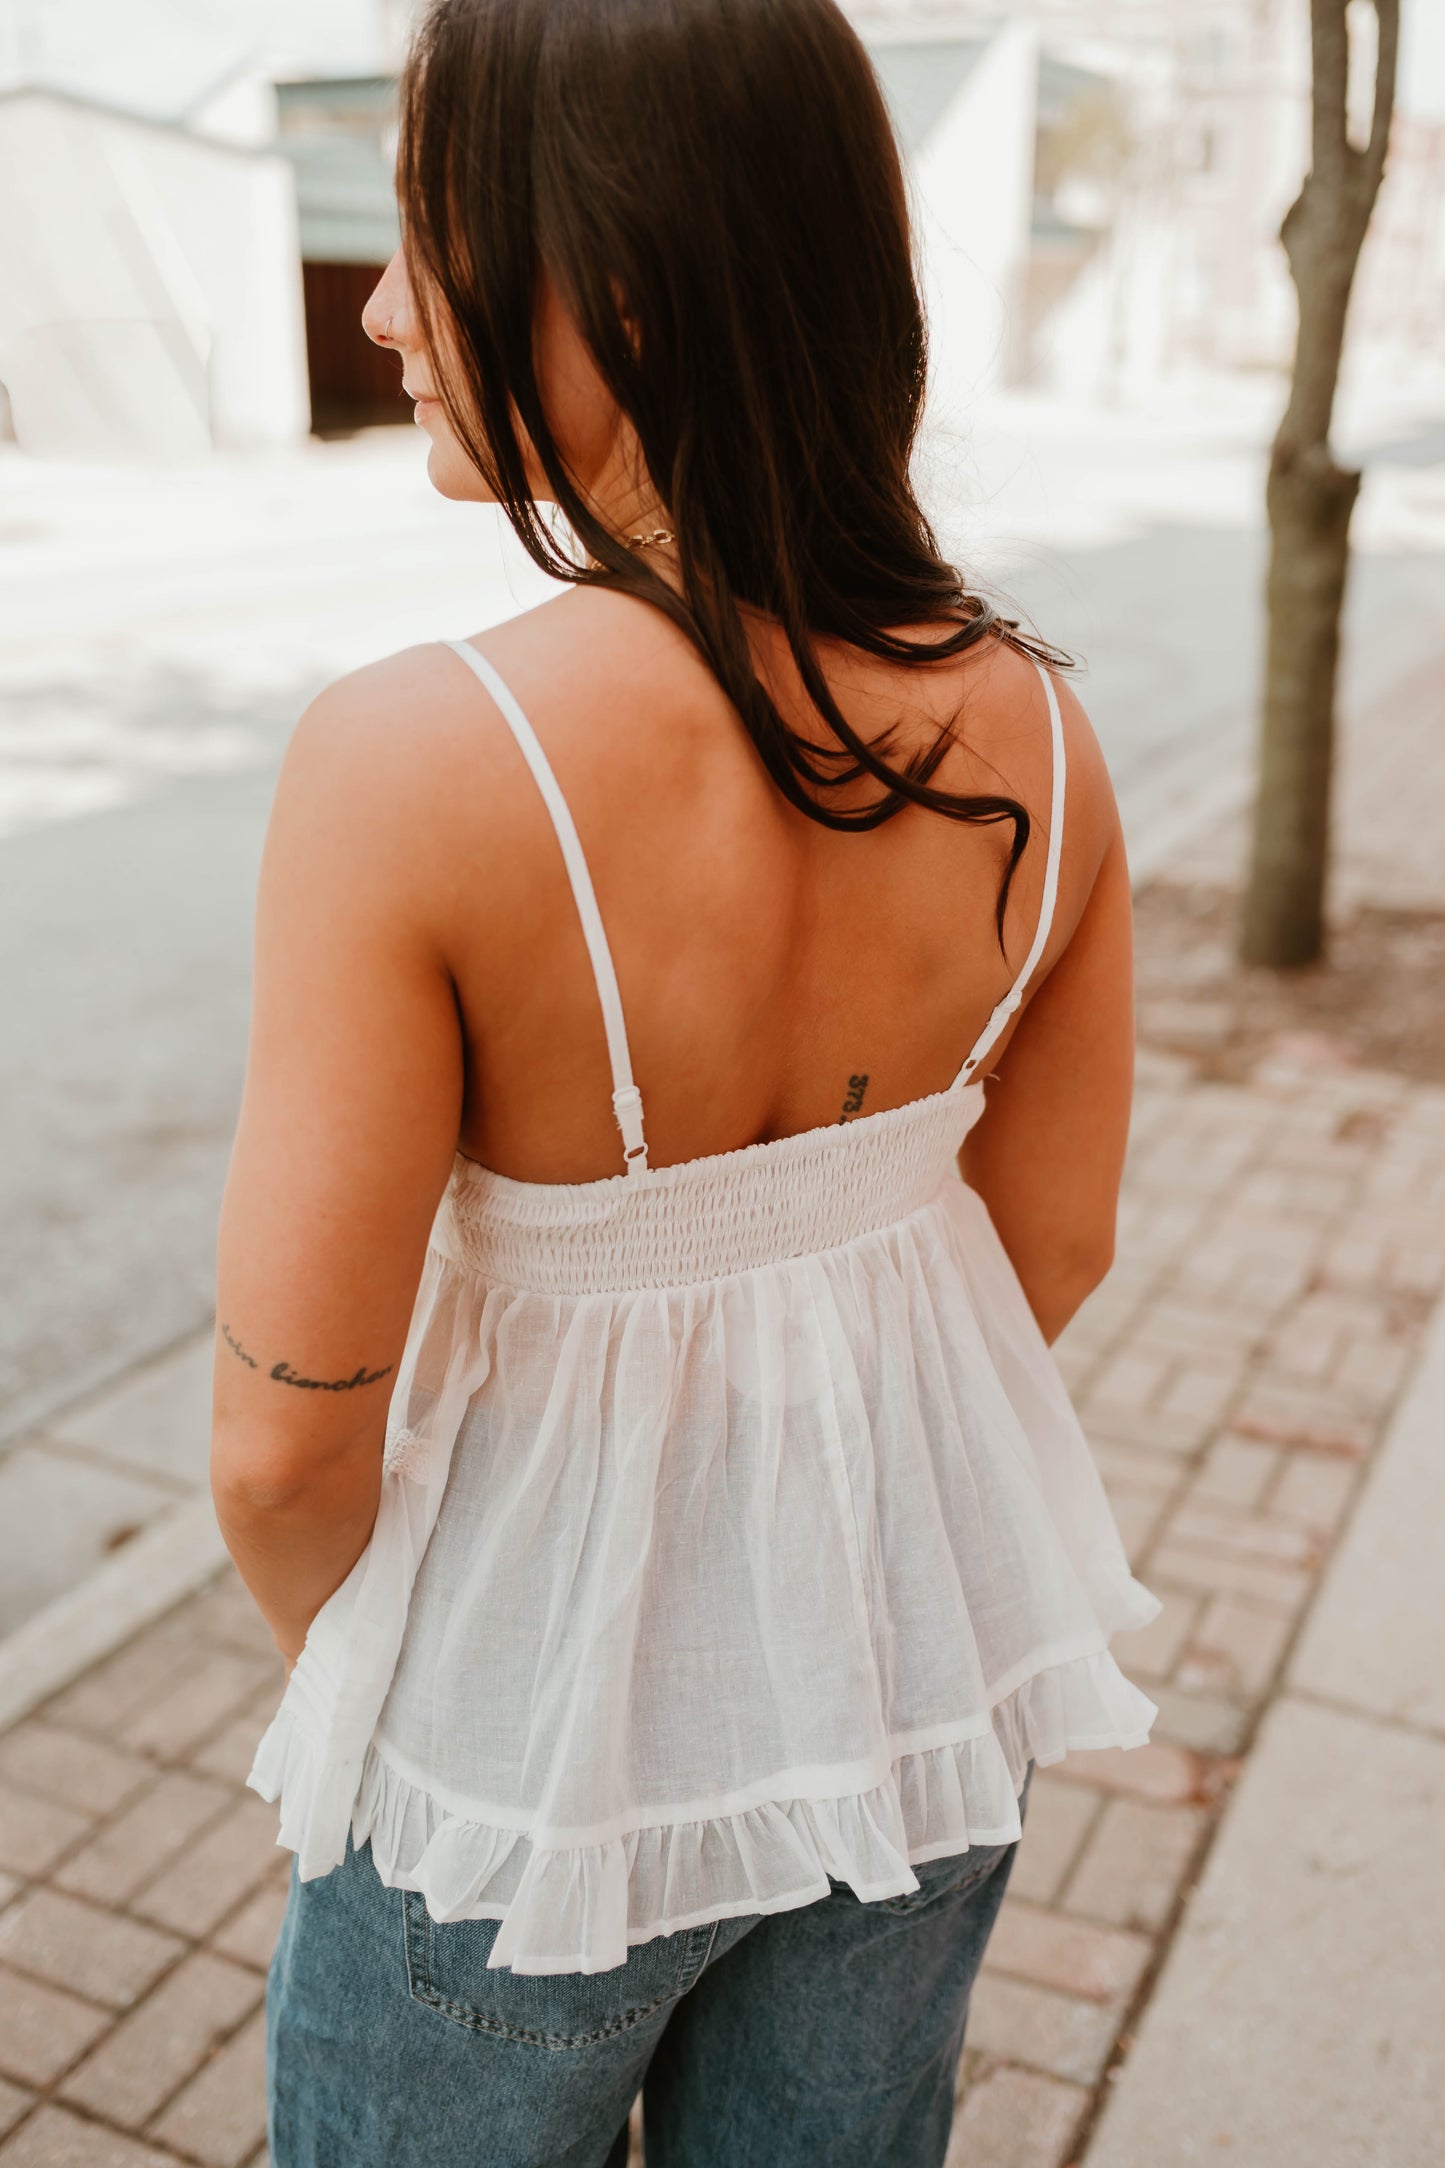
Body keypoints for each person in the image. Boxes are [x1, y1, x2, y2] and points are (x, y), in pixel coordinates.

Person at [211, 1, 1158, 2160]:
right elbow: (1059, 1241)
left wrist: (372, 1700)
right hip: (917, 1673)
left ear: (617, 278)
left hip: (521, 1744)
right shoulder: (1044, 730)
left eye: (425, 241)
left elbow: (283, 1450)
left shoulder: (417, 759)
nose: (380, 310)